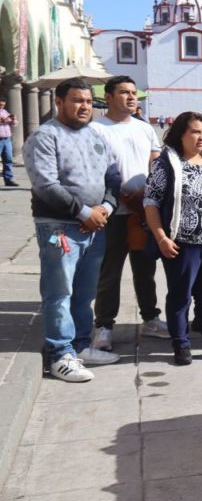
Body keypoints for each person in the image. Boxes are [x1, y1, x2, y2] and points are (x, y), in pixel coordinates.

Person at [24, 78, 122, 381]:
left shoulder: (96, 135)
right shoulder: (45, 136)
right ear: (59, 101)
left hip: (95, 226)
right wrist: (83, 212)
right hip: (59, 227)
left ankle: (80, 346)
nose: (84, 107)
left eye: (89, 102)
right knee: (59, 292)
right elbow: (46, 185)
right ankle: (59, 354)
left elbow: (113, 175)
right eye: (77, 100)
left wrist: (105, 208)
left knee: (85, 291)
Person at [144, 111, 202, 365]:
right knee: (180, 295)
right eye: (195, 132)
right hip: (182, 243)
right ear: (180, 135)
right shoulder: (166, 164)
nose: (201, 137)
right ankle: (181, 344)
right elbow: (150, 202)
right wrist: (161, 237)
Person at [91, 76, 169, 352]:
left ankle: (150, 318)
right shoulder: (96, 128)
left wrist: (145, 194)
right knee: (109, 271)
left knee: (145, 269)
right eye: (123, 92)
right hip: (110, 212)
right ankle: (104, 325)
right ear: (108, 97)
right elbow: (92, 169)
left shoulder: (144, 128)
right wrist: (116, 194)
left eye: (133, 92)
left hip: (142, 211)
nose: (131, 97)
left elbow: (156, 165)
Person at [0, 98, 17, 186]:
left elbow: (14, 124)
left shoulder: (5, 111)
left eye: (3, 105)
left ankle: (8, 179)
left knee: (8, 159)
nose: (2, 106)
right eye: (0, 105)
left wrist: (13, 119)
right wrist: (3, 120)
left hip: (7, 139)